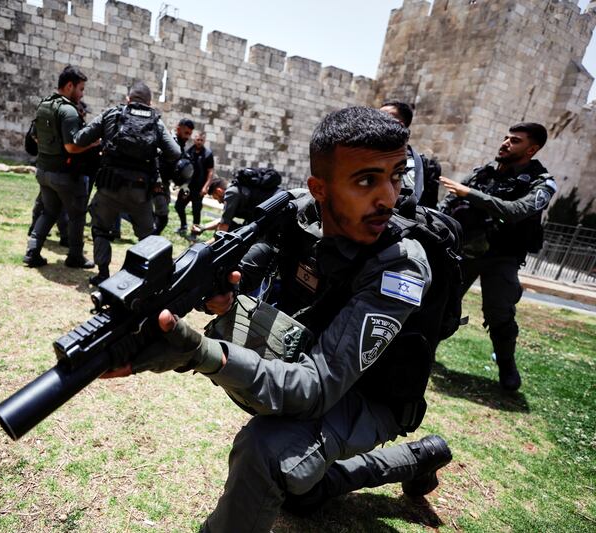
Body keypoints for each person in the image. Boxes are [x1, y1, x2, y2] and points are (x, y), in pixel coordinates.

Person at [103, 107, 455, 531]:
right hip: (317, 361)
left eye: (396, 175)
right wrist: (217, 292)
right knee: (301, 494)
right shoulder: (301, 215)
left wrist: (198, 354)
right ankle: (422, 456)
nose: (388, 197)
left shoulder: (400, 266)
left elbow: (315, 389)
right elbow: (245, 268)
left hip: (374, 395)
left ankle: (412, 453)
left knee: (268, 450)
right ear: (319, 188)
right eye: (366, 180)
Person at [439, 122, 556, 391]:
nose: (505, 143)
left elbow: (515, 211)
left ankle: (507, 365)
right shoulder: (484, 173)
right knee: (443, 302)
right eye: (505, 137)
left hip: (503, 256)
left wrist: (469, 193)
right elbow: (450, 204)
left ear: (532, 149)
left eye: (515, 140)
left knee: (499, 312)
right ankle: (424, 350)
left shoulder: (542, 183)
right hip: (467, 250)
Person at [74, 81, 181, 286]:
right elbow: (175, 153)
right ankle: (149, 279)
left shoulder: (112, 113)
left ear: (128, 99)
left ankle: (103, 274)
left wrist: (103, 141)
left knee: (100, 229)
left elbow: (80, 139)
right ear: (149, 102)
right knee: (147, 238)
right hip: (140, 192)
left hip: (109, 188)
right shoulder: (155, 121)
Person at [23, 66, 99, 269]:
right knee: (76, 216)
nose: (82, 94)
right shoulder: (68, 111)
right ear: (69, 86)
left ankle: (32, 252)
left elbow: (35, 136)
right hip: (65, 175)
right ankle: (75, 257)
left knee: (48, 212)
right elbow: (71, 146)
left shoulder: (45, 104)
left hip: (43, 171)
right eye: (81, 89)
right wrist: (93, 144)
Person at [380, 101, 441, 207]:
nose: (377, 121)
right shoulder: (360, 153)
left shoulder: (425, 166)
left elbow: (429, 205)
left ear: (401, 124)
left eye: (384, 117)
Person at [194, 169, 282, 236]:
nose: (219, 202)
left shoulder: (231, 193)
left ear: (219, 191)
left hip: (276, 214)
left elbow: (223, 227)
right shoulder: (237, 189)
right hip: (275, 208)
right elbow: (224, 220)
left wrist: (207, 248)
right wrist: (203, 227)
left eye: (217, 198)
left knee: (228, 232)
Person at [154, 118, 194, 235]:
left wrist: (184, 185)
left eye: (190, 134)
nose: (188, 137)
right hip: (157, 182)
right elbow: (156, 160)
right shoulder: (169, 140)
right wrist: (157, 180)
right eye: (186, 133)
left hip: (164, 183)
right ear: (178, 129)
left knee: (160, 217)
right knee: (160, 217)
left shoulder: (180, 144)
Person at [174, 130, 214, 239]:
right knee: (178, 206)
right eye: (197, 139)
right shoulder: (188, 151)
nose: (199, 142)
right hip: (187, 186)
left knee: (196, 211)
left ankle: (194, 233)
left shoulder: (208, 154)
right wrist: (181, 185)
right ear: (194, 139)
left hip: (199, 188)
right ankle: (183, 226)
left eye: (201, 140)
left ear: (204, 141)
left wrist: (206, 187)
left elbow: (210, 172)